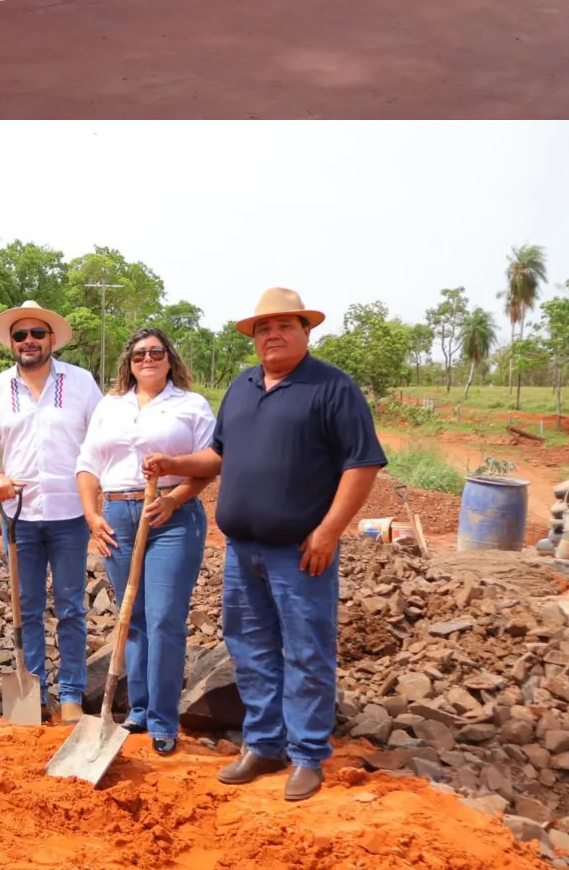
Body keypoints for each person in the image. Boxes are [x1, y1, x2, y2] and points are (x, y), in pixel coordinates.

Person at [143, 288, 387, 803]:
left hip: (301, 551)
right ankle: (264, 743)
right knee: (250, 649)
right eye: (262, 328)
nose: (272, 335)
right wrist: (173, 463)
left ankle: (307, 753)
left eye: (283, 325)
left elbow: (361, 464)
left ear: (305, 330)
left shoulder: (331, 387)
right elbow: (218, 456)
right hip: (242, 550)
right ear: (254, 338)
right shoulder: (244, 386)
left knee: (306, 650)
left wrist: (329, 530)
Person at [75, 328, 214, 755]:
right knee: (131, 617)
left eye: (156, 352)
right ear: (129, 361)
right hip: (118, 513)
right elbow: (88, 464)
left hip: (171, 515)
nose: (147, 359)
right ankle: (138, 708)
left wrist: (173, 499)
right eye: (139, 354)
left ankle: (162, 719)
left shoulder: (190, 405)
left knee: (165, 619)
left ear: (170, 358)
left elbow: (211, 461)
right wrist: (92, 515)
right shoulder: (110, 405)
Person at [0, 301, 103, 723]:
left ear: (52, 339)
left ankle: (72, 694)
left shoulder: (80, 383)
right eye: (20, 335)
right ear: (12, 343)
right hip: (17, 515)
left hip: (69, 514)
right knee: (26, 607)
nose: (28, 342)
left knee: (71, 606)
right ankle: (34, 691)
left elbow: (101, 441)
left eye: (36, 334)